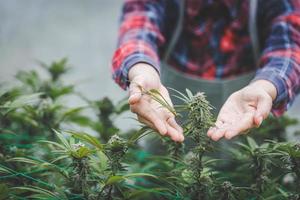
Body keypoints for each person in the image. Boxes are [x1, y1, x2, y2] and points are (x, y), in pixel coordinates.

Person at [111, 0, 300, 143]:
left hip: (250, 128)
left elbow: (291, 48)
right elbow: (138, 25)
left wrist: (266, 87)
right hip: (168, 131)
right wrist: (142, 70)